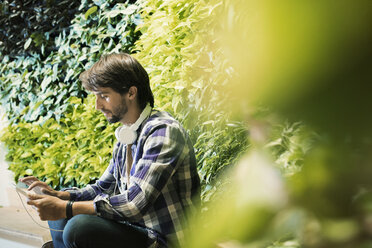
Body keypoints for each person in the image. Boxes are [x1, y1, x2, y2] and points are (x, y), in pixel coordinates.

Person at [20, 53, 201, 248]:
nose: (98, 106)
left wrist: (68, 208)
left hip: (165, 239)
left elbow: (134, 204)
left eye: (104, 96)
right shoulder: (126, 135)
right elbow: (103, 187)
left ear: (131, 93)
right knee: (59, 215)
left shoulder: (163, 131)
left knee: (78, 226)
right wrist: (60, 196)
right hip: (135, 230)